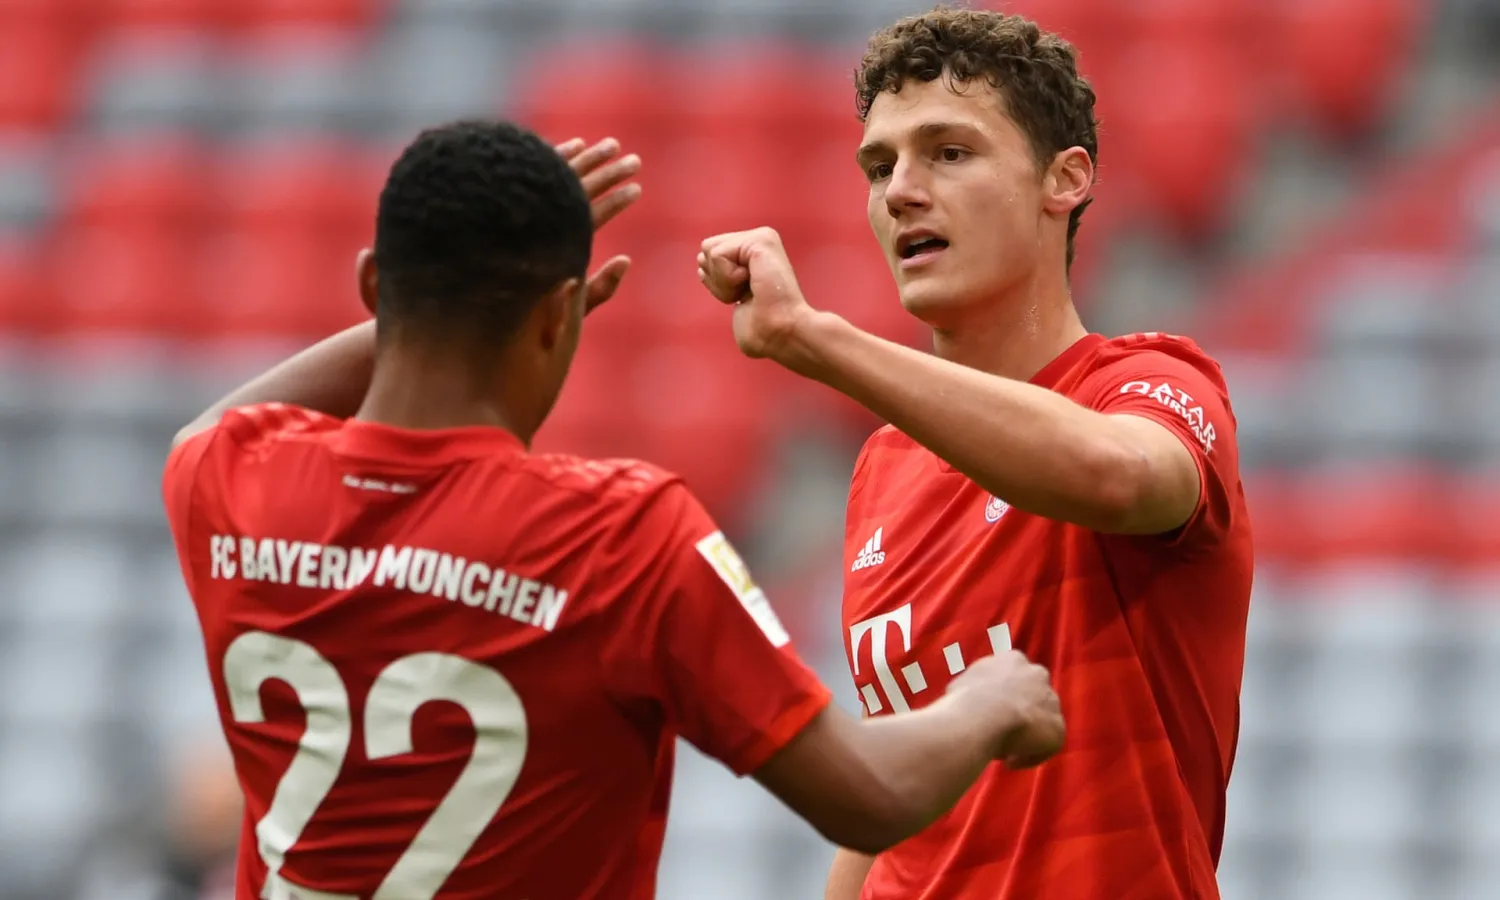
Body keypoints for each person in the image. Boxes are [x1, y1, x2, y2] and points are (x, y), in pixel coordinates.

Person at [161, 119, 1066, 900]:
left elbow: (209, 426)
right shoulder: (620, 534)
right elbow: (866, 794)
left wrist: (444, 285)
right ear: (562, 314)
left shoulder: (228, 481)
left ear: (370, 287)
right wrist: (989, 703)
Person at [697, 8, 1253, 900]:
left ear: (1065, 179)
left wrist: (812, 339)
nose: (902, 192)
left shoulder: (1151, 386)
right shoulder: (883, 465)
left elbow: (1118, 477)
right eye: (880, 167)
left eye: (949, 153)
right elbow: (903, 797)